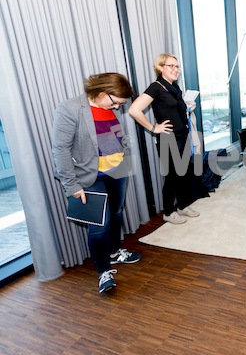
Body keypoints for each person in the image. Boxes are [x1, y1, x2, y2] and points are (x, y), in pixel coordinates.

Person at [52, 72, 141, 293]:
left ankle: (114, 251)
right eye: (116, 103)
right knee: (100, 225)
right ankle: (103, 271)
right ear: (103, 93)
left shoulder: (108, 105)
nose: (117, 108)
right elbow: (60, 149)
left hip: (117, 170)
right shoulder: (70, 109)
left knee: (117, 213)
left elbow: (112, 136)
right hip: (89, 176)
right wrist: (72, 185)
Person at [128, 53, 200, 225]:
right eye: (171, 66)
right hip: (169, 140)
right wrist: (154, 128)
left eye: (177, 66)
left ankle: (182, 206)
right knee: (172, 177)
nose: (175, 69)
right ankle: (168, 211)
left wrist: (188, 109)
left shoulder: (174, 87)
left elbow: (174, 111)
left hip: (182, 136)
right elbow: (134, 110)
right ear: (160, 68)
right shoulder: (156, 87)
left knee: (183, 174)